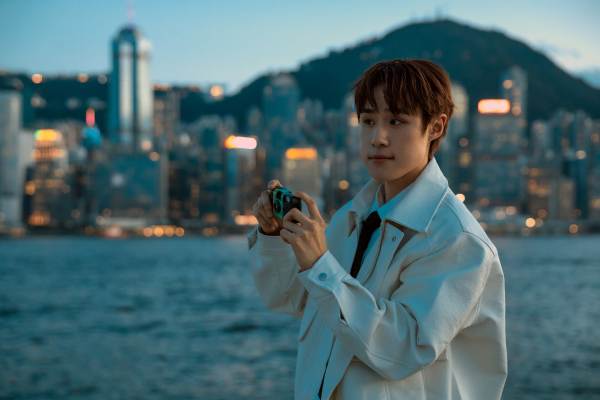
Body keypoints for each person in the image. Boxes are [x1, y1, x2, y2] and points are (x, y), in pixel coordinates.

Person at [248, 59, 507, 400]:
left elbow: (404, 349)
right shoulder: (352, 217)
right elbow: (292, 300)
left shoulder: (457, 240)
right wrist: (273, 237)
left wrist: (320, 265)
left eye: (396, 121)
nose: (378, 138)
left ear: (436, 127)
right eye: (368, 121)